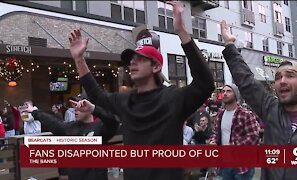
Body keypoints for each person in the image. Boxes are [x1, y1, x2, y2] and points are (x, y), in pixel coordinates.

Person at [68, 1, 214, 180]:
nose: (132, 62)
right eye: (131, 59)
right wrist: (79, 59)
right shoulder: (125, 101)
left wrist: (182, 32)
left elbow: (205, 83)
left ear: (156, 67)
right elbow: (97, 94)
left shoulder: (173, 98)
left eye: (140, 59)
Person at [220, 20, 297, 180]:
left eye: (290, 75)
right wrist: (230, 45)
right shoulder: (271, 109)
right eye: (278, 77)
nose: (282, 81)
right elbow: (246, 81)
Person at [24, 96, 119, 180]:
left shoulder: (100, 128)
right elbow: (53, 122)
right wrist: (34, 112)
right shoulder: (70, 128)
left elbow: (113, 121)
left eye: (80, 107)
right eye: (75, 107)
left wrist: (94, 109)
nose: (76, 110)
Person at [209, 84, 259, 179]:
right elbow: (215, 132)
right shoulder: (220, 114)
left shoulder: (246, 114)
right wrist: (213, 141)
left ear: (236, 94)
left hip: (242, 165)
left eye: (228, 91)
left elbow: (253, 137)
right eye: (223, 91)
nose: (225, 94)